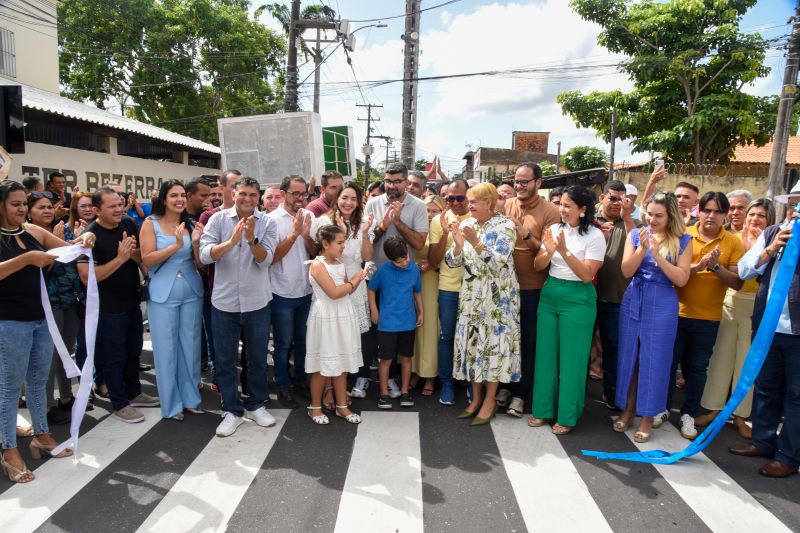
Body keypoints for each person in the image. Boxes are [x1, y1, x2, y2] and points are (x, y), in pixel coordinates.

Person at [0, 180, 95, 483]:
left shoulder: (32, 232)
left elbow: (72, 248)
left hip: (41, 319)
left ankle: (41, 435)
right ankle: (8, 450)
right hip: (8, 322)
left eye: (22, 203)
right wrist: (27, 259)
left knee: (39, 382)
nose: (21, 209)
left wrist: (87, 237)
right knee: (9, 388)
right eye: (15, 204)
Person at [200, 177, 279, 437]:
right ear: (233, 194)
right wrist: (231, 242)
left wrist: (251, 240)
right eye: (243, 193)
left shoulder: (267, 222)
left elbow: (266, 260)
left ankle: (255, 404)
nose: (247, 199)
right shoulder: (218, 219)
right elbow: (204, 255)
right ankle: (231, 410)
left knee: (257, 358)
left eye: (253, 195)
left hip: (257, 302)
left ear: (258, 197)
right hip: (224, 303)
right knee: (225, 359)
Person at [730, 182, 800, 478]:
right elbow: (744, 270)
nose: (796, 210)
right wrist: (771, 249)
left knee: (795, 395)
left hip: (797, 332)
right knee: (766, 387)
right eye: (793, 204)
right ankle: (763, 441)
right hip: (767, 326)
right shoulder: (773, 232)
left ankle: (788, 456)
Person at [613, 192, 692, 442]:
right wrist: (642, 249)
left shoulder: (683, 240)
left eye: (659, 216)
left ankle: (648, 416)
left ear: (670, 217)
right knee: (630, 357)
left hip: (663, 303)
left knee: (655, 361)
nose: (652, 219)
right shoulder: (636, 234)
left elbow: (682, 279)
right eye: (649, 214)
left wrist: (657, 255)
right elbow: (626, 270)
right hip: (634, 298)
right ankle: (628, 409)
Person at [77, 188, 159, 423]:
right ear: (97, 210)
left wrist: (136, 260)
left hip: (132, 302)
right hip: (108, 308)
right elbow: (87, 276)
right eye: (112, 206)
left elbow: (141, 255)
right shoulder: (89, 236)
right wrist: (120, 258)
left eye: (120, 204)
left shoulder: (128, 224)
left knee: (134, 351)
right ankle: (119, 402)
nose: (118, 209)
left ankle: (134, 393)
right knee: (114, 356)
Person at [530, 186, 605, 435]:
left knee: (573, 360)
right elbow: (539, 265)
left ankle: (568, 416)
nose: (562, 209)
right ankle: (542, 410)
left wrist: (564, 251)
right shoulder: (553, 229)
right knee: (545, 357)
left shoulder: (595, 235)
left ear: (582, 209)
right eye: (560, 204)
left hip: (578, 298)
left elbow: (586, 275)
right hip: (551, 293)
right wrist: (549, 251)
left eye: (567, 206)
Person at [669, 191, 744, 440]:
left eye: (718, 211)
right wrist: (697, 267)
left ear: (725, 215)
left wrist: (716, 267)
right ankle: (662, 409)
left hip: (709, 319)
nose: (712, 216)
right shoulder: (683, 235)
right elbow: (671, 272)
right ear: (699, 212)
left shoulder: (732, 242)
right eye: (707, 210)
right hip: (676, 313)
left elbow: (737, 283)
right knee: (669, 364)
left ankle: (689, 414)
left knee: (697, 369)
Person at [698, 198, 775, 438]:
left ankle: (741, 416)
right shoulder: (733, 238)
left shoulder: (774, 242)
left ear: (770, 219)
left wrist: (764, 248)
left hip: (758, 305)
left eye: (761, 215)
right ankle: (713, 409)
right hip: (730, 301)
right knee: (720, 359)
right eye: (752, 214)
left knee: (746, 363)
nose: (754, 219)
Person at [445, 182, 519, 426]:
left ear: (489, 202)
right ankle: (475, 398)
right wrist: (457, 244)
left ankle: (489, 400)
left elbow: (497, 263)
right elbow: (453, 263)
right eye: (469, 201)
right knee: (473, 347)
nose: (469, 205)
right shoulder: (467, 224)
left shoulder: (505, 226)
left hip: (498, 301)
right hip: (471, 298)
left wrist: (476, 242)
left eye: (474, 201)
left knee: (493, 349)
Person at [140, 180, 205, 421]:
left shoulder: (190, 223)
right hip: (162, 293)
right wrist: (176, 245)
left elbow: (200, 263)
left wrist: (195, 243)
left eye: (182, 195)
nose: (179, 200)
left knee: (191, 346)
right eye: (173, 195)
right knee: (166, 349)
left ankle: (190, 399)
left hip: (191, 291)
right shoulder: (150, 223)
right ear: (164, 199)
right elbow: (147, 259)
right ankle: (172, 404)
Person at [502, 163, 561, 417]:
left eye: (524, 181)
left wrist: (524, 233)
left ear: (538, 182)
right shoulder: (506, 205)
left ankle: (521, 394)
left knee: (528, 342)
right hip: (505, 287)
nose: (519, 186)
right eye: (517, 181)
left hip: (533, 289)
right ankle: (506, 386)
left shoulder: (551, 212)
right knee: (506, 339)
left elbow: (548, 253)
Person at [309, 183, 374, 401]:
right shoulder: (323, 222)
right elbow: (320, 253)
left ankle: (340, 391)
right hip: (330, 283)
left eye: (354, 199)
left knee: (347, 341)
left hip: (354, 284)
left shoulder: (364, 223)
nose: (349, 203)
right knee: (330, 341)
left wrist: (364, 234)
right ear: (337, 198)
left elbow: (367, 256)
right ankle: (328, 391)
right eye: (345, 197)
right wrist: (342, 234)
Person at [26, 192, 83, 426]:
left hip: (70, 300)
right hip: (47, 304)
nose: (48, 211)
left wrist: (84, 238)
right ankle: (47, 405)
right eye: (41, 207)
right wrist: (54, 250)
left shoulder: (64, 230)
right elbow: (36, 273)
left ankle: (66, 397)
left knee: (65, 351)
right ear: (29, 212)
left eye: (50, 207)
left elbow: (77, 254)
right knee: (47, 356)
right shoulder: (28, 237)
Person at [305, 225, 367, 425]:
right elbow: (333, 292)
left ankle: (341, 406)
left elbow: (347, 289)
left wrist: (359, 278)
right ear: (325, 244)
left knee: (342, 363)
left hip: (343, 315)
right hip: (326, 317)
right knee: (321, 366)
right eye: (339, 243)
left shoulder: (339, 262)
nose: (343, 246)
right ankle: (315, 407)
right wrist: (354, 280)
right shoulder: (317, 265)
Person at [269, 176, 315, 408]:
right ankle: (282, 385)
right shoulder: (272, 220)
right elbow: (271, 258)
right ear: (283, 193)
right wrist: (295, 233)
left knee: (303, 342)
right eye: (295, 193)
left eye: (303, 193)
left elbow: (315, 252)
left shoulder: (309, 215)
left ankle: (300, 381)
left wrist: (306, 235)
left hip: (305, 291)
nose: (300, 198)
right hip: (281, 293)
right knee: (283, 344)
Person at [427, 180, 473, 406]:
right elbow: (433, 260)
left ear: (469, 196)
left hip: (474, 288)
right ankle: (447, 383)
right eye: (450, 198)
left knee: (473, 337)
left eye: (460, 198)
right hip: (448, 287)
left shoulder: (478, 217)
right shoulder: (439, 220)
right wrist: (445, 234)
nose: (455, 202)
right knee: (447, 336)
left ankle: (472, 384)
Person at [595, 180, 640, 408]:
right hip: (587, 297)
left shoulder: (632, 223)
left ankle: (611, 390)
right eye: (612, 198)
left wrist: (628, 217)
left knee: (613, 348)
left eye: (622, 200)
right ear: (602, 198)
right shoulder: (589, 220)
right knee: (581, 349)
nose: (617, 204)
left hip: (616, 299)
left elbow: (640, 243)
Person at [368, 237, 424, 409]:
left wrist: (421, 311)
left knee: (406, 358)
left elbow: (417, 292)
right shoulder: (383, 270)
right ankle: (384, 394)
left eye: (405, 258)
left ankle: (405, 391)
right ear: (390, 259)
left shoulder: (414, 270)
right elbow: (371, 289)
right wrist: (374, 310)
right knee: (385, 359)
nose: (404, 263)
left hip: (408, 322)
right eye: (399, 262)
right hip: (387, 323)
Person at [411, 195, 445, 397]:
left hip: (434, 283)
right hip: (413, 283)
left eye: (434, 210)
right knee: (414, 328)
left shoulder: (444, 230)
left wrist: (433, 264)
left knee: (431, 329)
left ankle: (430, 374)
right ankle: (415, 370)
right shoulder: (416, 229)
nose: (430, 214)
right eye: (427, 210)